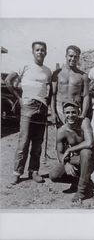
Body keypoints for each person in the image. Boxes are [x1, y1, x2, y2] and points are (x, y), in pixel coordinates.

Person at [5, 41, 52, 184]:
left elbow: (49, 91)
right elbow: (8, 80)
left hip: (42, 107)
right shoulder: (25, 66)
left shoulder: (48, 71)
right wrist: (19, 98)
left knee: (38, 142)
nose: (40, 52)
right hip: (28, 105)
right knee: (24, 141)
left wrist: (47, 104)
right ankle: (17, 172)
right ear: (33, 52)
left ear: (46, 52)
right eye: (37, 50)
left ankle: (34, 171)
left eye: (42, 50)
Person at [49, 101, 94, 203]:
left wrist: (70, 149)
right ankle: (80, 181)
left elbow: (90, 142)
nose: (70, 115)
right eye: (68, 113)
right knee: (54, 175)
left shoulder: (84, 121)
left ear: (78, 112)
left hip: (90, 159)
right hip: (75, 159)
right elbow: (59, 152)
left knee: (86, 152)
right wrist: (66, 163)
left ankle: (81, 191)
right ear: (64, 114)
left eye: (73, 112)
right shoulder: (61, 131)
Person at [51, 45, 89, 126]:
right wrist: (53, 113)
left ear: (78, 58)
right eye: (71, 56)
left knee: (76, 136)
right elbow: (53, 94)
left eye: (76, 57)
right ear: (66, 56)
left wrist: (83, 114)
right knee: (61, 135)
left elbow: (86, 96)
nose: (73, 59)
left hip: (75, 109)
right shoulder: (57, 73)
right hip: (60, 109)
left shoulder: (83, 75)